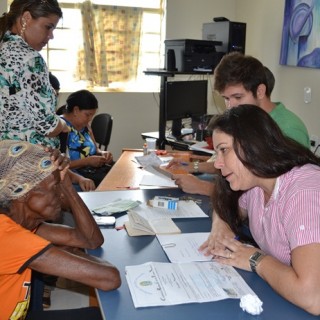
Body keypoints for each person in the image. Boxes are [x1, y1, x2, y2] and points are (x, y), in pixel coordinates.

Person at [199, 105, 320, 315]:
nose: (218, 163)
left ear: (253, 144)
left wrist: (256, 260)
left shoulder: (304, 189)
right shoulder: (256, 185)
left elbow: (312, 297)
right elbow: (227, 207)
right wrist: (221, 225)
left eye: (224, 150)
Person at [0, 140, 121, 320]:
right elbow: (110, 278)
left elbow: (91, 240)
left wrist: (68, 186)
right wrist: (62, 252)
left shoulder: (25, 225)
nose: (61, 196)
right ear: (23, 193)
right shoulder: (9, 237)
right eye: (54, 188)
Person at [167, 52, 310, 195]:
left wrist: (204, 188)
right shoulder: (247, 119)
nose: (231, 106)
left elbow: (277, 193)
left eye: (237, 97)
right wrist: (193, 166)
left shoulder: (288, 129)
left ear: (260, 91)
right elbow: (231, 164)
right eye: (226, 98)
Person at [0, 0, 70, 148]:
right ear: (26, 18)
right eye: (48, 27)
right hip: (29, 157)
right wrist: (63, 124)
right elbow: (46, 125)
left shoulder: (3, 48)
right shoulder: (30, 59)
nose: (51, 36)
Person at [57, 90, 114, 188]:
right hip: (75, 175)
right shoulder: (60, 127)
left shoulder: (85, 126)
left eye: (92, 115)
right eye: (88, 115)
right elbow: (58, 166)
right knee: (113, 183)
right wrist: (87, 161)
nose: (90, 118)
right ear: (75, 110)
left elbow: (96, 149)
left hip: (91, 171)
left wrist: (102, 153)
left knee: (119, 172)